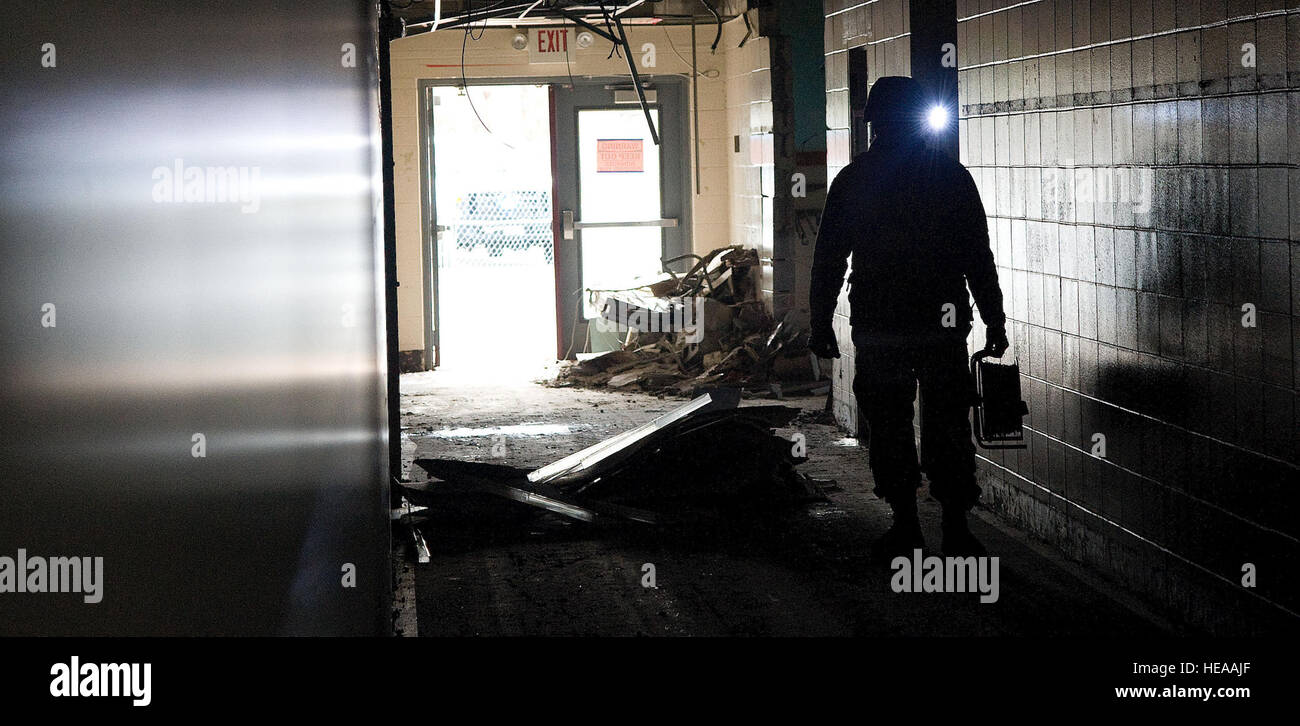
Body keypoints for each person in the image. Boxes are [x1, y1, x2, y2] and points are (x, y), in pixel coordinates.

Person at [807, 76, 1008, 560]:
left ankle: (906, 524)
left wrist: (819, 323)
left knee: (890, 423)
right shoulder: (951, 177)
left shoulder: (855, 180)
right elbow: (977, 256)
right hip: (941, 325)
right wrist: (995, 320)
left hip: (881, 323)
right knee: (947, 423)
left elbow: (830, 258)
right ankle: (956, 528)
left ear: (872, 123)